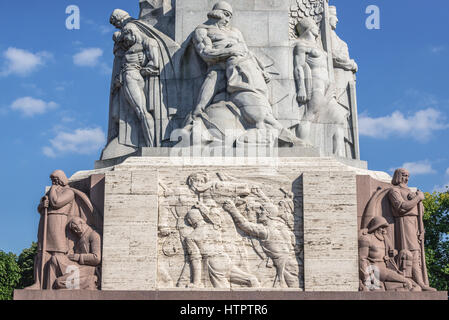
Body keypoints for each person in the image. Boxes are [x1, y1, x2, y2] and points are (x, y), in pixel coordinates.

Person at [189, 1, 302, 145]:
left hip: (242, 66)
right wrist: (229, 51)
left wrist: (261, 70)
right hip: (218, 67)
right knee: (213, 77)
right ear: (218, 13)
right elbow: (205, 52)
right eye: (226, 15)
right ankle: (198, 112)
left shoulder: (235, 32)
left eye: (230, 16)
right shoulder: (203, 30)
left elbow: (247, 51)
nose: (228, 19)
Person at [27, 170, 95, 290]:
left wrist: (52, 189)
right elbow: (40, 207)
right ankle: (38, 283)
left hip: (58, 223)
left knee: (56, 252)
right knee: (41, 253)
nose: (54, 182)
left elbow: (56, 202)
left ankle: (54, 280)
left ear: (61, 179)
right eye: (53, 180)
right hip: (45, 222)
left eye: (56, 180)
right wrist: (42, 205)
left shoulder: (68, 192)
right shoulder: (51, 192)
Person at [293, 17, 349, 156]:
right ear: (309, 28)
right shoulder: (301, 45)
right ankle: (302, 149)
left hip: (328, 87)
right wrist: (301, 88)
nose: (317, 28)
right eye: (314, 25)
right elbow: (298, 67)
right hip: (315, 84)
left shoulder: (320, 47)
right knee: (309, 116)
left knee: (339, 118)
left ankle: (339, 154)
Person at [223, 199, 301, 288]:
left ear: (268, 214)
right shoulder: (283, 227)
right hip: (294, 264)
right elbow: (296, 246)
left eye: (262, 210)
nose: (259, 212)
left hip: (285, 269)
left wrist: (232, 209)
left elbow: (244, 225)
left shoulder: (265, 230)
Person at [184, 208, 260, 288]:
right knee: (247, 278)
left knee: (222, 289)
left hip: (213, 263)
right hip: (225, 259)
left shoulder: (191, 237)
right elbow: (213, 219)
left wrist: (196, 282)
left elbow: (196, 260)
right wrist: (202, 208)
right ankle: (252, 281)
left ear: (189, 221)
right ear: (201, 217)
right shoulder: (214, 226)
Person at [388, 169, 436, 291]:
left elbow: (420, 210)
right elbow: (401, 207)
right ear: (398, 176)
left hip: (414, 223)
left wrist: (417, 200)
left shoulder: (409, 191)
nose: (406, 179)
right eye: (404, 176)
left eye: (408, 176)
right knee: (411, 253)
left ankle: (420, 282)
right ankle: (417, 283)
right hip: (404, 222)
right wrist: (418, 198)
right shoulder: (394, 190)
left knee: (416, 254)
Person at [359, 216, 417, 291]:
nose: (384, 230)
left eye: (385, 228)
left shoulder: (384, 239)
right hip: (374, 269)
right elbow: (362, 259)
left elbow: (392, 251)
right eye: (382, 227)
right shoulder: (366, 239)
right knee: (407, 282)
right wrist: (366, 279)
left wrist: (392, 253)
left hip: (385, 269)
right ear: (375, 227)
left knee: (410, 283)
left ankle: (390, 288)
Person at [50, 217, 101, 290]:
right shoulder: (79, 239)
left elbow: (97, 258)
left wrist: (78, 257)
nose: (75, 231)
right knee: (55, 259)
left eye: (75, 227)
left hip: (90, 269)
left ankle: (88, 282)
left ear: (81, 223)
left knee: (59, 282)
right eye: (73, 230)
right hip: (79, 266)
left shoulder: (93, 235)